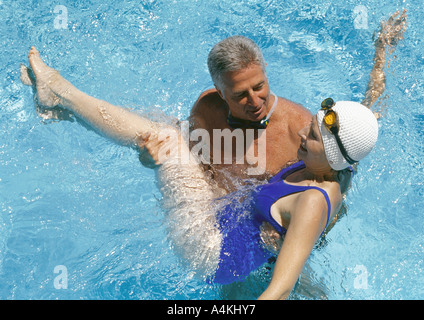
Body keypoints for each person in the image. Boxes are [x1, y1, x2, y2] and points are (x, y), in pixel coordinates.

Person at [20, 10, 406, 299]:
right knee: (158, 134)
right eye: (240, 94)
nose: (255, 102)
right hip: (221, 221)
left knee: (165, 137)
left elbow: (340, 168)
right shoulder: (207, 110)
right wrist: (382, 51)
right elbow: (196, 172)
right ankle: (61, 109)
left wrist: (290, 245)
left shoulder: (298, 134)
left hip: (237, 247)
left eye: (260, 87)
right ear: (219, 92)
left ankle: (60, 93)